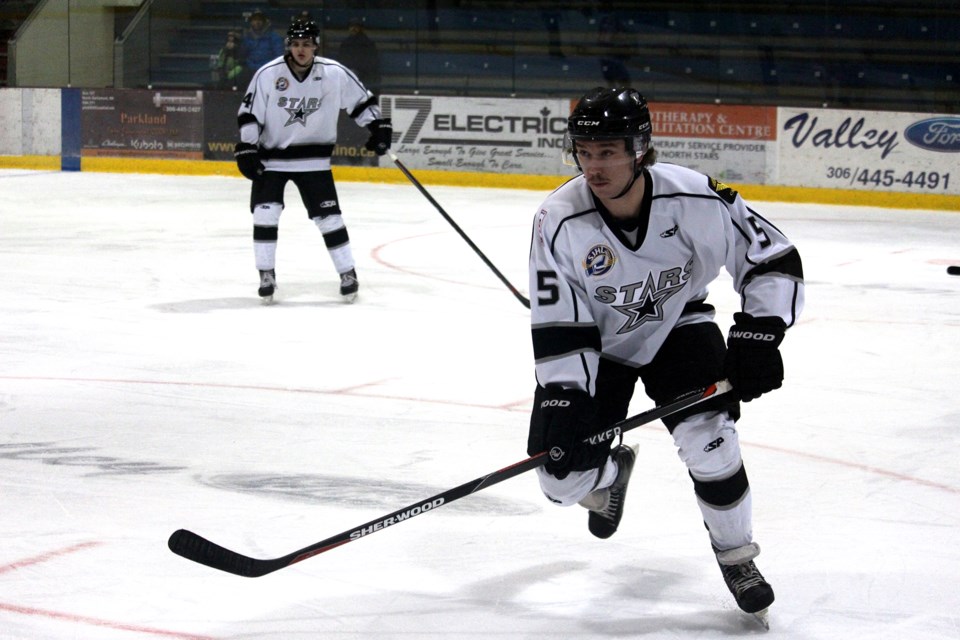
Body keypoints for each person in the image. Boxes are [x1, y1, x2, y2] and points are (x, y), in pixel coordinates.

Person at [526, 87, 804, 623]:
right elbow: (559, 319)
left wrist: (761, 332)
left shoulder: (696, 197)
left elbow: (770, 256)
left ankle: (737, 556)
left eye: (608, 151)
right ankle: (610, 476)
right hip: (597, 348)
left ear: (640, 148)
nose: (594, 166)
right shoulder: (557, 219)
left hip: (680, 327)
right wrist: (564, 399)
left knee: (711, 443)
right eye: (584, 152)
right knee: (561, 481)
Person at [234, 18, 393, 303]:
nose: (301, 50)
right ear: (289, 46)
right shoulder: (268, 74)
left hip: (314, 162)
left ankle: (348, 273)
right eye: (295, 44)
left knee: (330, 218)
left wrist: (378, 127)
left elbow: (361, 102)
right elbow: (250, 114)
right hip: (272, 161)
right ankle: (266, 274)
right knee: (264, 214)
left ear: (316, 46)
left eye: (306, 44)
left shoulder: (334, 73)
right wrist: (247, 147)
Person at [239, 9, 284, 88]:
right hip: (250, 70)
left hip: (268, 70)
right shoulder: (247, 38)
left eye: (259, 20)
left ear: (265, 22)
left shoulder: (274, 37)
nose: (257, 22)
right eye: (254, 20)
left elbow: (279, 57)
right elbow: (242, 55)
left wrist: (267, 68)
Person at [337, 18, 381, 96]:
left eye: (356, 26)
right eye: (351, 26)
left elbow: (371, 62)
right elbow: (341, 60)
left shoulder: (368, 44)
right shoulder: (345, 44)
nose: (353, 29)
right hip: (349, 74)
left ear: (361, 28)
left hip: (364, 74)